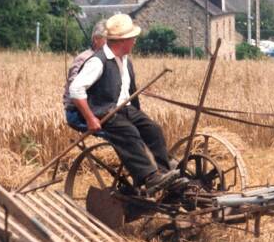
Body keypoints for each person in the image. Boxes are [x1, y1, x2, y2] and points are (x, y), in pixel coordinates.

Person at [67, 13, 187, 192]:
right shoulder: (98, 62)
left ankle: (164, 174)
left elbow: (128, 93)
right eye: (132, 38)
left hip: (125, 109)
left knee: (152, 129)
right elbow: (75, 90)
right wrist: (90, 118)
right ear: (122, 41)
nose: (135, 42)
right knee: (129, 133)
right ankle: (150, 178)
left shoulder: (125, 60)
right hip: (104, 111)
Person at [63, 19, 107, 127]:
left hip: (98, 109)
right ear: (96, 39)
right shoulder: (84, 59)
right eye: (108, 39)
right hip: (77, 113)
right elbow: (75, 90)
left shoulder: (108, 59)